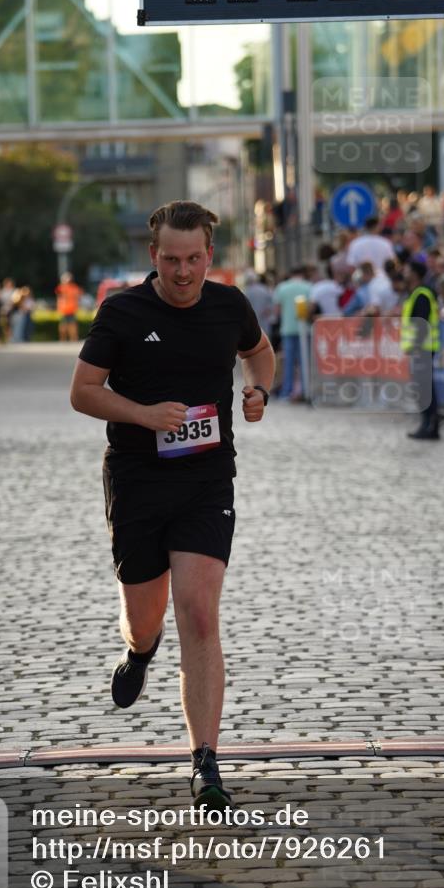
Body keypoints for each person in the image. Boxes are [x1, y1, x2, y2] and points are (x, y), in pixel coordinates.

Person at [70, 200, 274, 811]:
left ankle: (205, 763)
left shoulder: (228, 304)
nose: (183, 272)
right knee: (146, 614)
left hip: (207, 481)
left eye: (193, 260)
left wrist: (259, 389)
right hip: (137, 478)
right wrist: (142, 414)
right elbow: (82, 391)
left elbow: (259, 353)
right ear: (152, 255)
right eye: (170, 259)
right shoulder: (123, 312)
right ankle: (139, 650)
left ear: (209, 255)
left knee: (200, 612)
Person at [400, 260, 440, 440]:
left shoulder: (422, 294)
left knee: (425, 389)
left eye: (407, 269)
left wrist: (415, 346)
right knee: (422, 388)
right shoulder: (415, 293)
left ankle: (429, 425)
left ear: (415, 273)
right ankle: (427, 424)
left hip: (422, 348)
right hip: (420, 348)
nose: (404, 271)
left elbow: (421, 324)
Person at [272, 265, 311, 399]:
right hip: (304, 329)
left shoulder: (281, 287)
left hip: (287, 328)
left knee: (288, 363)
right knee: (304, 362)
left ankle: (286, 391)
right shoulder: (308, 286)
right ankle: (306, 390)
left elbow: (277, 311)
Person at [56, 271, 82, 342]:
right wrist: (58, 307)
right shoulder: (60, 287)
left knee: (72, 325)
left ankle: (74, 339)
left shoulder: (75, 287)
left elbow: (79, 296)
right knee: (63, 325)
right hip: (64, 309)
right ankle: (63, 339)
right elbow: (59, 298)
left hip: (72, 309)